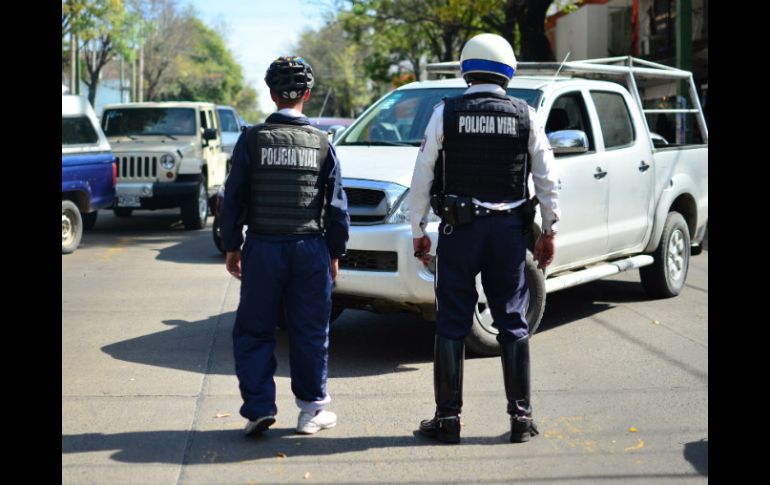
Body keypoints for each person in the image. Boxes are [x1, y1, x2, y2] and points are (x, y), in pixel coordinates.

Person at [408, 33, 560, 444]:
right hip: (509, 233)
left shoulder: (446, 112)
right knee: (512, 319)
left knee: (452, 320)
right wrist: (549, 230)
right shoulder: (526, 114)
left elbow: (422, 174)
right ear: (508, 71)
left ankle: (448, 420)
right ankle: (521, 419)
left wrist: (418, 230)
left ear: (466, 69)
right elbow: (547, 178)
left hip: (460, 232)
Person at [220, 56, 350, 436]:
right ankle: (312, 411)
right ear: (307, 94)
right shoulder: (323, 143)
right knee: (309, 330)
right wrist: (336, 251)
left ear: (271, 94)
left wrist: (232, 244)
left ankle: (259, 406)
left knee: (254, 329)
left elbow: (234, 197)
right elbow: (337, 205)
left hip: (262, 246)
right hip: (310, 248)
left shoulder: (251, 139)